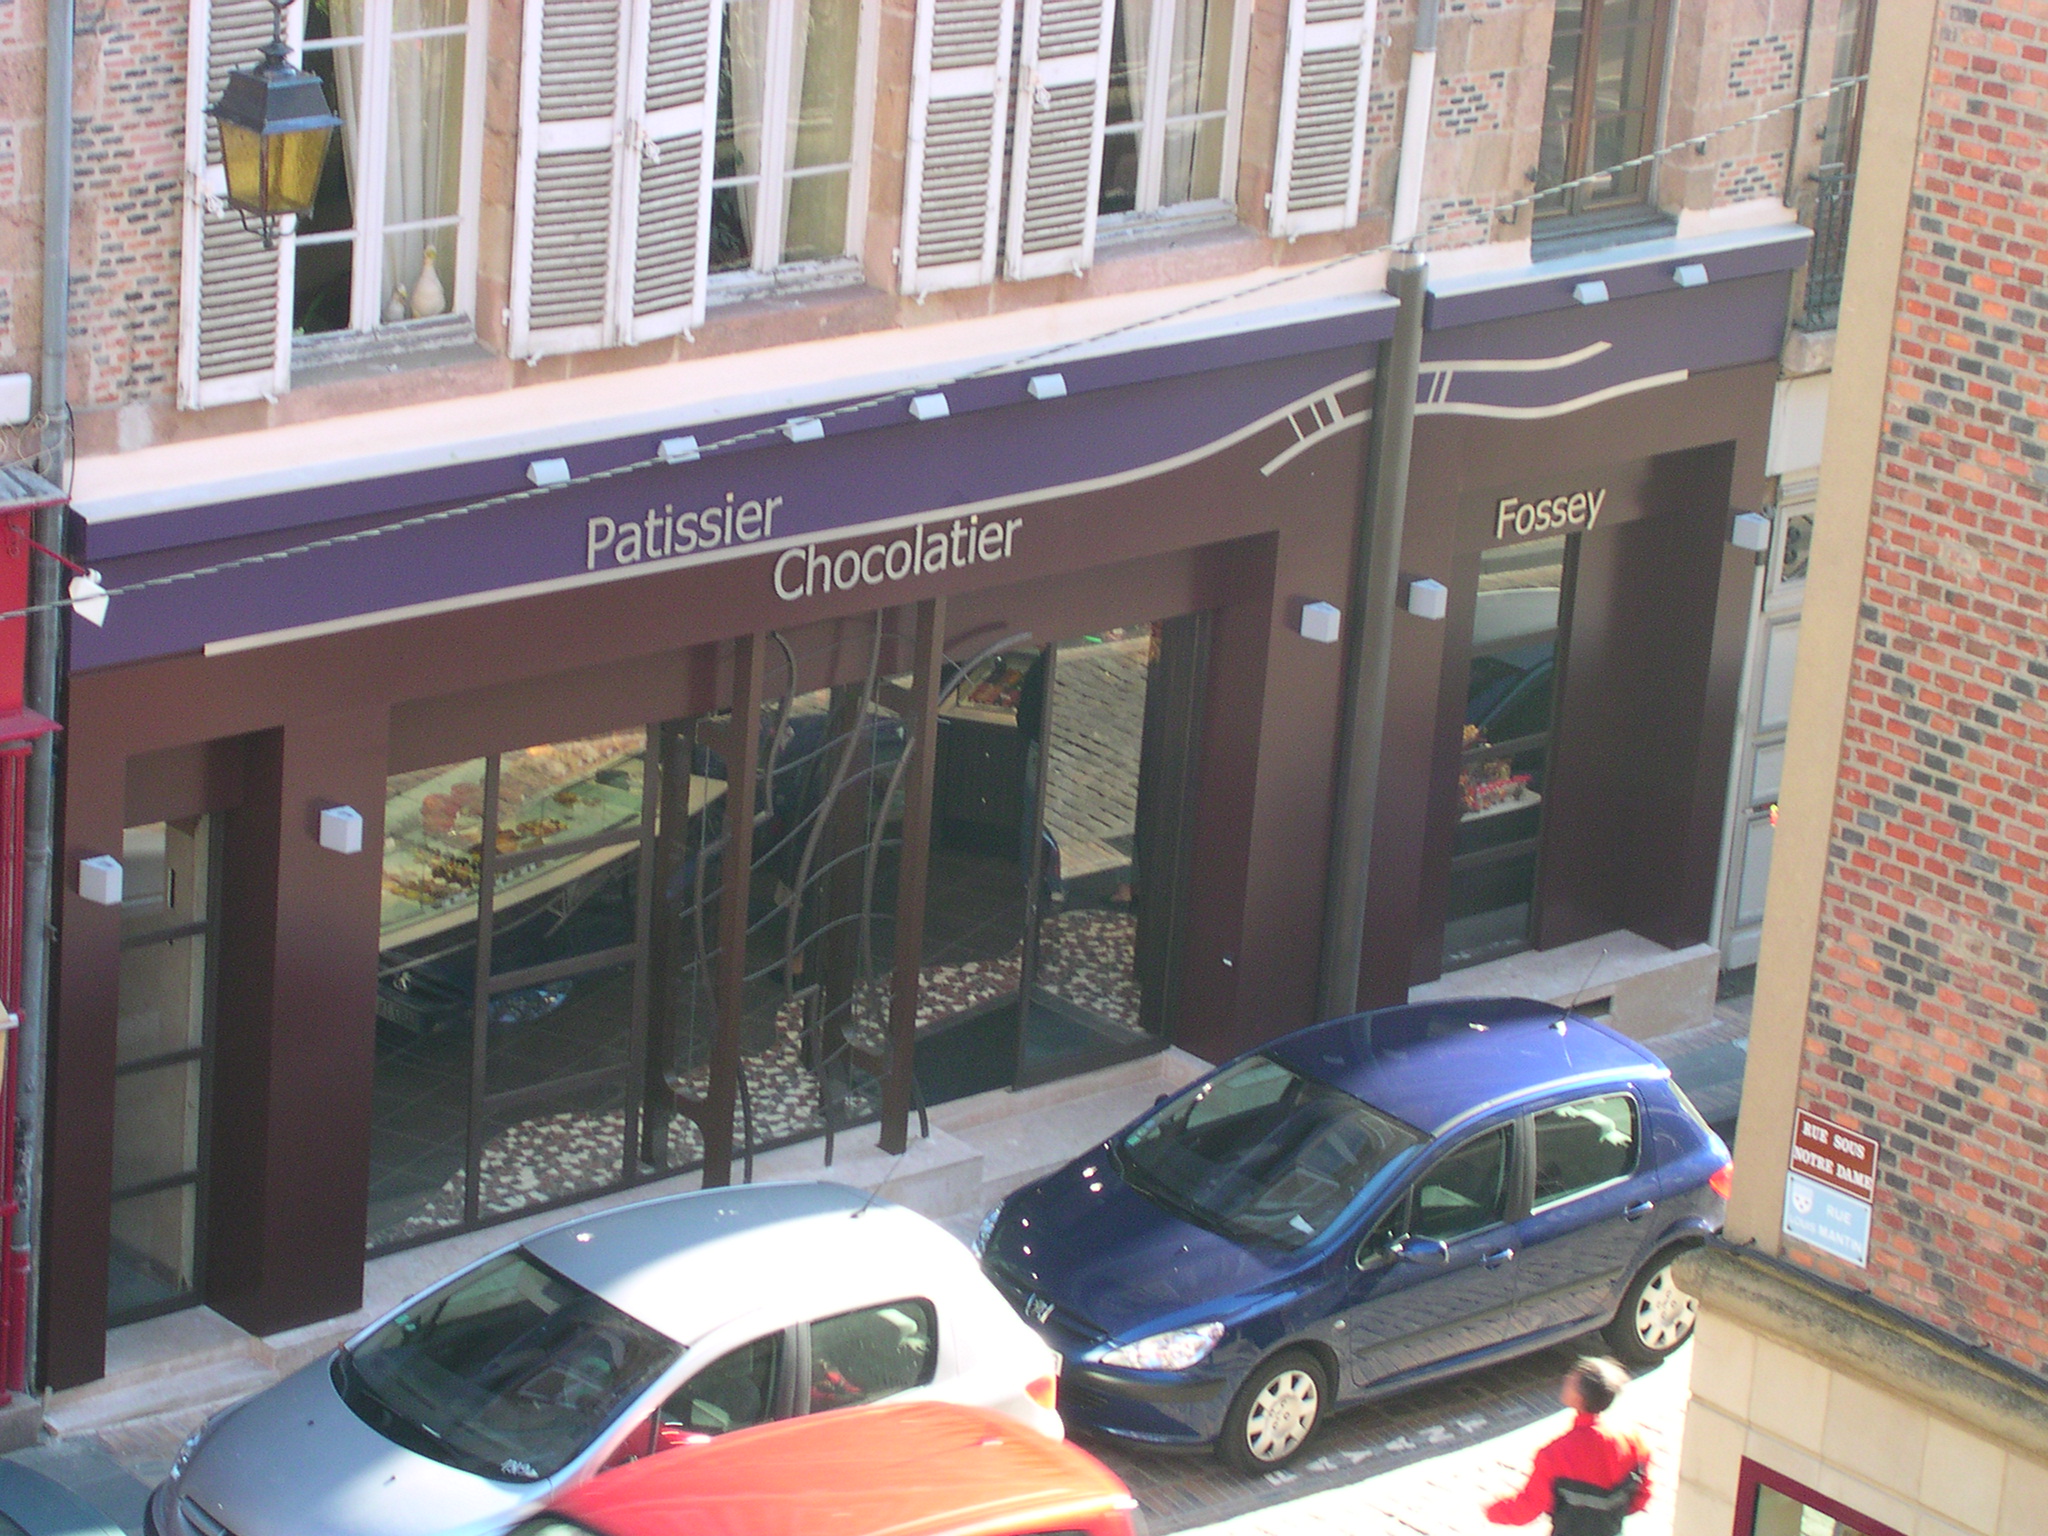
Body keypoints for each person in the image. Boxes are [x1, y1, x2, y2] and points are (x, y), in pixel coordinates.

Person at [1486, 1356, 1651, 1536]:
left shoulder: (1555, 1454)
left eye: (1571, 1379)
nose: (1565, 1379)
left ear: (1580, 1397)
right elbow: (1641, 1496)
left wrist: (1491, 1510)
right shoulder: (1634, 1441)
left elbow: (1528, 1507)